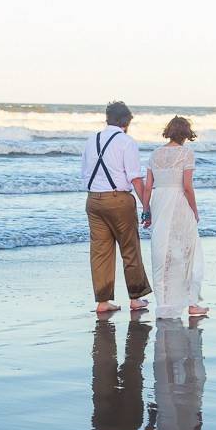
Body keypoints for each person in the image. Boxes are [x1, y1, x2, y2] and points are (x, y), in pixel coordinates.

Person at [81, 101, 152, 313]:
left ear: (108, 118)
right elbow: (134, 178)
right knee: (130, 249)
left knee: (100, 252)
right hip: (119, 200)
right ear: (125, 121)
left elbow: (84, 173)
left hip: (93, 200)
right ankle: (136, 298)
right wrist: (146, 206)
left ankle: (103, 302)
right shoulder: (126, 141)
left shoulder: (91, 140)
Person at [142, 116, 209, 318]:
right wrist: (195, 210)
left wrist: (146, 211)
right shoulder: (186, 154)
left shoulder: (155, 154)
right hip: (179, 201)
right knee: (188, 250)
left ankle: (164, 303)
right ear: (186, 134)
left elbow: (147, 187)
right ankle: (191, 303)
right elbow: (187, 187)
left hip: (159, 201)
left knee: (161, 251)